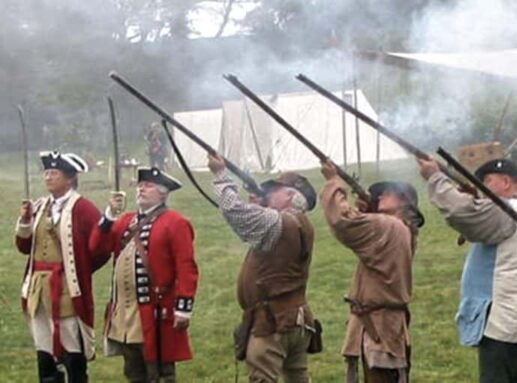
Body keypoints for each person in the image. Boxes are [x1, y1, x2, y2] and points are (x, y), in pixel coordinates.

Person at [417, 157, 517, 383]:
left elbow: (460, 212)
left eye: (487, 181)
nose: (482, 187)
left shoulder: (509, 209)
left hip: (505, 320)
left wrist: (436, 178)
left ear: (505, 182)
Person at [208, 154, 318, 383]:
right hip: (296, 317)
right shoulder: (300, 223)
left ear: (289, 195)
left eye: (274, 190)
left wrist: (220, 175)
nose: (268, 194)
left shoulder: (277, 222)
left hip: (272, 322)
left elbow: (234, 210)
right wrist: (260, 203)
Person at [89, 167, 198, 382]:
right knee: (134, 371)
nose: (141, 189)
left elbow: (186, 267)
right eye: (140, 186)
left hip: (157, 311)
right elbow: (97, 247)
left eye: (148, 186)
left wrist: (183, 309)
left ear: (163, 193)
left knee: (160, 371)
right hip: (127, 313)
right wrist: (109, 215)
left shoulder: (175, 222)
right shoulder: (125, 221)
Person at [319, 160, 424, 383]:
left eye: (388, 193)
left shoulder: (389, 226)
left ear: (403, 201)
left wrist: (333, 182)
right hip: (381, 323)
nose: (381, 196)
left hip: (380, 325)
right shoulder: (399, 228)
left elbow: (343, 220)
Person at [15, 151, 106, 383]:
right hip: (39, 287)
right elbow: (24, 247)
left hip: (66, 288)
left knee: (70, 344)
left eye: (54, 173)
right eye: (46, 172)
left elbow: (101, 249)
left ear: (69, 178)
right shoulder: (40, 206)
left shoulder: (84, 208)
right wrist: (25, 221)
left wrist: (81, 270)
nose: (48, 177)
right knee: (44, 344)